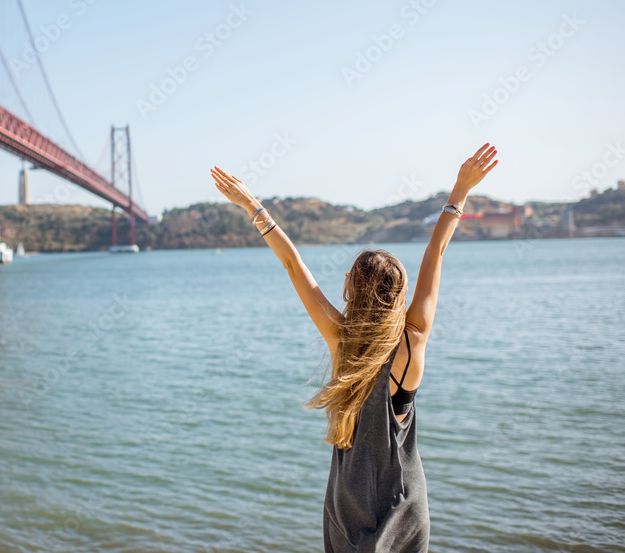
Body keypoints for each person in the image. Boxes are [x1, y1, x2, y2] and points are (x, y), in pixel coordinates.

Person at [211, 143, 499, 552]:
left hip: (346, 506)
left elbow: (294, 265)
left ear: (352, 289)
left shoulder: (339, 338)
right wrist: (460, 189)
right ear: (398, 293)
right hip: (404, 508)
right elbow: (436, 251)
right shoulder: (411, 342)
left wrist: (252, 205)